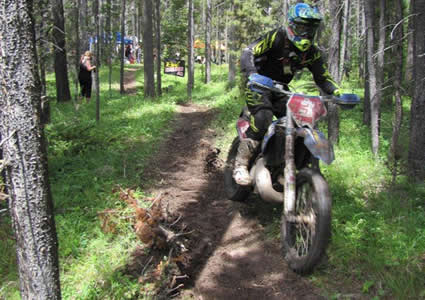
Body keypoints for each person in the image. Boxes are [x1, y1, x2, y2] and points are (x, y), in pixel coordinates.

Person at [233, 3, 341, 186]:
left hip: (281, 89)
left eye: (310, 29)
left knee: (299, 124)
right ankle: (240, 165)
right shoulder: (277, 37)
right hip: (258, 85)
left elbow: (323, 78)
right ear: (291, 25)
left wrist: (338, 93)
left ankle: (282, 164)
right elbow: (249, 51)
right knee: (262, 118)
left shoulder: (312, 53)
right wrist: (252, 74)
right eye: (301, 27)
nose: (306, 33)